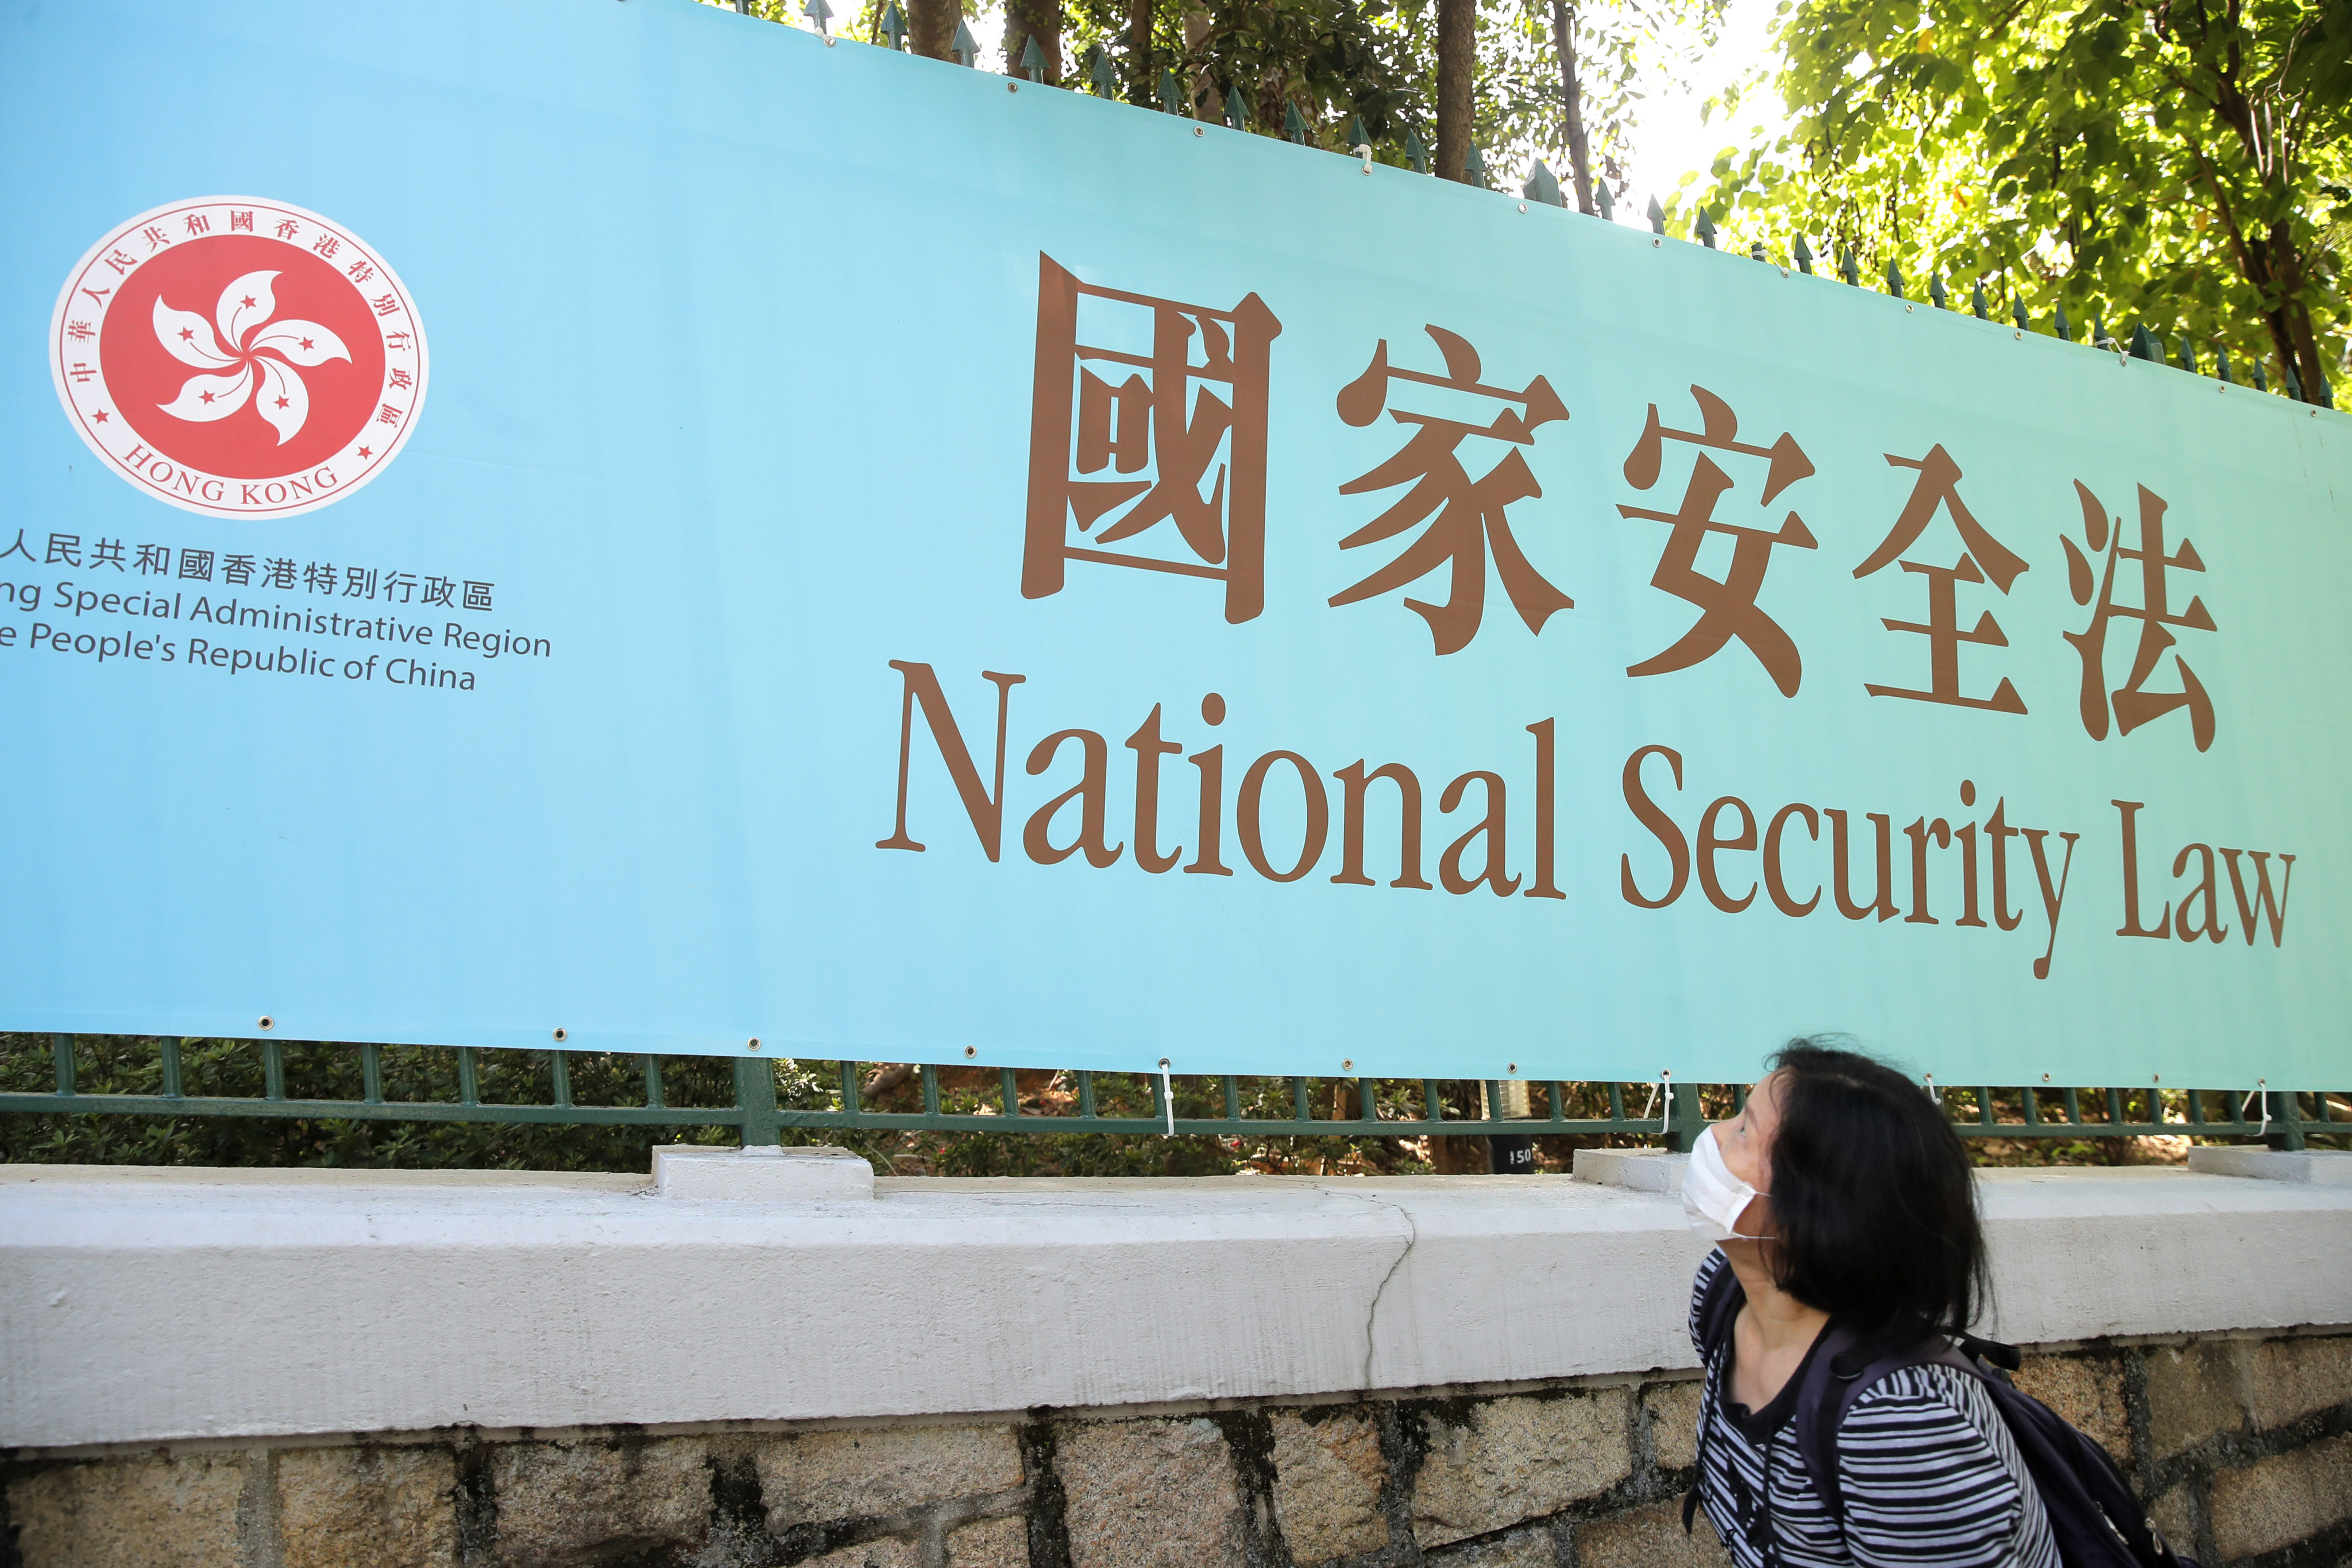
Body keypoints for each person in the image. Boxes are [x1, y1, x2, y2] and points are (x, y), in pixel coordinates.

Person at [1679, 1038, 2057, 1568]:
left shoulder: (1901, 1426)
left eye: (1744, 1129)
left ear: (1816, 1212)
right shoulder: (1722, 1295)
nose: (1712, 1135)